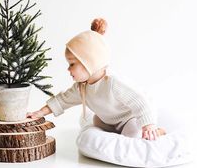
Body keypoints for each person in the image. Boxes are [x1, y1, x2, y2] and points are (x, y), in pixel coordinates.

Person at [27, 18, 165, 140]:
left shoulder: (112, 82)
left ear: (89, 62)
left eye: (72, 64)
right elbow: (62, 100)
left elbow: (139, 100)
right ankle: (116, 135)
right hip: (108, 121)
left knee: (131, 134)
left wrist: (148, 124)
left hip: (129, 119)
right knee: (95, 120)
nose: (68, 69)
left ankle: (156, 132)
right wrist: (39, 112)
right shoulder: (81, 87)